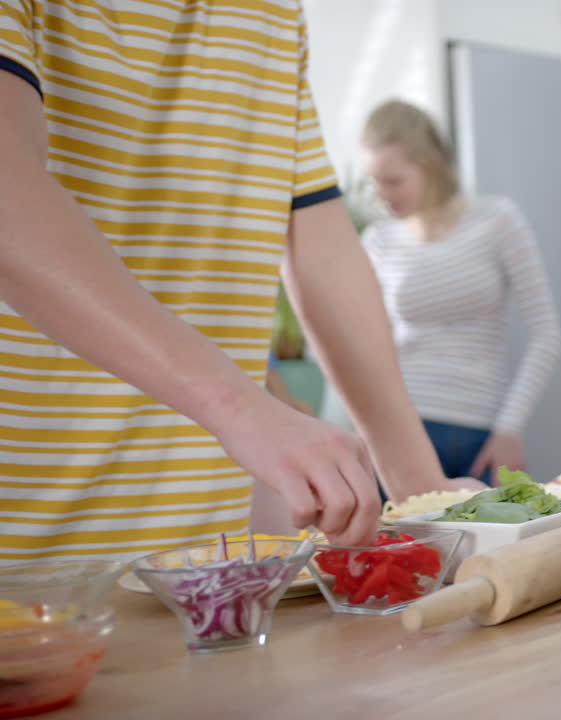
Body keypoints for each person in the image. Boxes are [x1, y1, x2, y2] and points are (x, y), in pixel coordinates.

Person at [0, 1, 479, 562]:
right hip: (28, 549)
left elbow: (319, 250)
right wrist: (239, 407)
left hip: (209, 562)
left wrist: (423, 495)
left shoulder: (274, 10)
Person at [359, 100, 561, 486]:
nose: (381, 195)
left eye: (393, 181)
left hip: (480, 434)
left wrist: (509, 428)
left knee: (489, 545)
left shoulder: (498, 220)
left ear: (430, 165)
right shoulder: (378, 240)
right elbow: (367, 345)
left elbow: (546, 334)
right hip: (401, 431)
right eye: (374, 182)